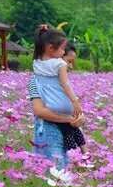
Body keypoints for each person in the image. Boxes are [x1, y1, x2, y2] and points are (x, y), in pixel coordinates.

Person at [28, 26, 84, 167]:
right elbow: (39, 111)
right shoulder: (36, 80)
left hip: (67, 128)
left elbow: (72, 109)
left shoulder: (60, 80)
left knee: (63, 167)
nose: (70, 66)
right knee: (54, 167)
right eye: (68, 61)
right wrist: (69, 119)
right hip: (49, 128)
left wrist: (78, 119)